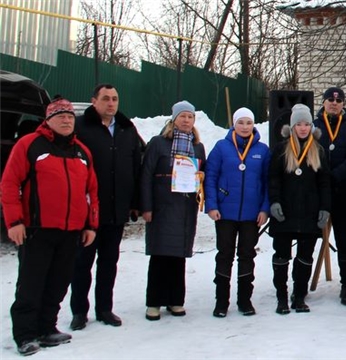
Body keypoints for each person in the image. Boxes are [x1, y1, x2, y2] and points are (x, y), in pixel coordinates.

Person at [1, 97, 99, 356]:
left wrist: (91, 224)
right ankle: (25, 335)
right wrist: (14, 221)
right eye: (60, 116)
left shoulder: (81, 151)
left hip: (71, 231)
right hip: (37, 229)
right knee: (31, 284)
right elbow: (10, 184)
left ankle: (47, 328)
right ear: (48, 120)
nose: (66, 120)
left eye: (69, 116)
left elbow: (91, 192)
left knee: (58, 282)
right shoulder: (30, 145)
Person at [70, 84, 142, 330]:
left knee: (109, 262)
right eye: (105, 99)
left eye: (115, 99)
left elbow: (136, 166)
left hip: (116, 208)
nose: (111, 103)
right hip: (88, 210)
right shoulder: (80, 127)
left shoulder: (126, 128)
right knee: (82, 262)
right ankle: (79, 311)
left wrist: (135, 203)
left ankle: (105, 309)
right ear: (94, 101)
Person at [140, 100, 206, 321]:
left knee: (178, 256)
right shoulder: (158, 143)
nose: (186, 121)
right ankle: (154, 302)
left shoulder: (198, 146)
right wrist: (146, 207)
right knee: (160, 255)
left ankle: (175, 299)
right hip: (162, 206)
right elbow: (146, 174)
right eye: (182, 116)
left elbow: (202, 173)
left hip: (185, 206)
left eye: (190, 117)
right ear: (174, 119)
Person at [204, 107, 270, 317]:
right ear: (234, 124)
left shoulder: (262, 150)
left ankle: (245, 301)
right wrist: (212, 205)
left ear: (253, 125)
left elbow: (268, 182)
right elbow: (211, 176)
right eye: (240, 122)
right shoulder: (222, 147)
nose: (244, 127)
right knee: (224, 255)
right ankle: (221, 302)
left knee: (247, 256)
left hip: (252, 215)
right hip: (225, 213)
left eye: (248, 123)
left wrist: (264, 208)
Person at [269, 103, 331, 314]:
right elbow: (273, 179)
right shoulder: (281, 148)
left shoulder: (318, 150)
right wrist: (274, 201)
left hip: (309, 213)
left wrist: (325, 208)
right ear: (292, 126)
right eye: (299, 124)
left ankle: (299, 296)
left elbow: (324, 182)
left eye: (307, 124)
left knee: (305, 257)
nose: (303, 128)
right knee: (282, 255)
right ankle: (281, 297)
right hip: (285, 212)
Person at [312, 87, 346, 306]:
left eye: (338, 100)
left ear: (343, 104)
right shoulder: (314, 127)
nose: (334, 103)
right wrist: (323, 177)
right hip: (317, 191)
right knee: (308, 237)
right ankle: (302, 282)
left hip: (342, 190)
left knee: (344, 239)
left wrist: (336, 175)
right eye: (330, 99)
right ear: (323, 102)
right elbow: (308, 153)